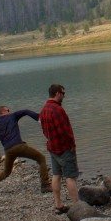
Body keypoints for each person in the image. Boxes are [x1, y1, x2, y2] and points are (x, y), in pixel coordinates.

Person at [0, 105, 51, 196]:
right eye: (8, 110)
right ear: (3, 112)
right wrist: (39, 118)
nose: (10, 111)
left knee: (6, 172)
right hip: (19, 146)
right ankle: (45, 185)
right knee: (41, 158)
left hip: (8, 150)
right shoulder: (13, 116)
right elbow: (26, 111)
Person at [39, 83, 79, 214]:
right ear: (57, 93)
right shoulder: (57, 110)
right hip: (64, 148)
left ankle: (58, 204)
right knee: (70, 177)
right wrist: (72, 145)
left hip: (52, 147)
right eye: (63, 93)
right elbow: (65, 131)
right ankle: (77, 207)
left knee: (56, 175)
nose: (64, 96)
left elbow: (44, 130)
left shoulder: (44, 109)